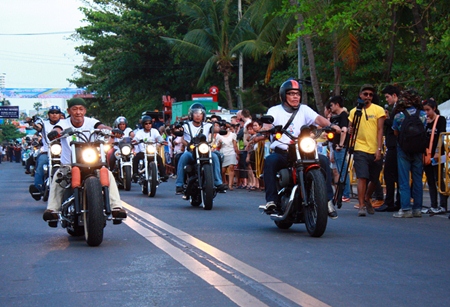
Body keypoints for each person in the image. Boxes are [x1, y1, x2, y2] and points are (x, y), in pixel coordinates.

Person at [258, 79, 340, 219]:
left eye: (297, 93)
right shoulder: (275, 111)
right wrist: (268, 129)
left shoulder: (305, 109)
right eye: (291, 93)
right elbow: (267, 126)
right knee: (270, 161)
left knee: (324, 161)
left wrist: (332, 126)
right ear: (284, 96)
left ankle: (327, 201)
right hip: (284, 152)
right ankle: (271, 201)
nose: (295, 96)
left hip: (303, 151)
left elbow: (319, 119)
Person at [43, 98, 127, 222]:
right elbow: (58, 129)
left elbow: (102, 127)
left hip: (93, 164)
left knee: (108, 174)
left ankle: (116, 208)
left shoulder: (92, 122)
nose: (78, 112)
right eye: (74, 109)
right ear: (68, 111)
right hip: (69, 164)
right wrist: (54, 133)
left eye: (81, 109)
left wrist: (113, 131)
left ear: (85, 110)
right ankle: (52, 210)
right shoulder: (63, 123)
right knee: (58, 176)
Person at [348, 84, 386, 217]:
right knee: (362, 177)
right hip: (360, 147)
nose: (368, 97)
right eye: (365, 94)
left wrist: (379, 148)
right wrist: (349, 130)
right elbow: (350, 127)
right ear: (360, 95)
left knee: (374, 178)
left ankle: (367, 197)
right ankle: (361, 205)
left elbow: (380, 130)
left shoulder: (378, 110)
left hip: (374, 147)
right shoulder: (354, 112)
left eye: (370, 95)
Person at [175, 103, 228, 194]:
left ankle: (218, 182)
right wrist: (177, 128)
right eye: (195, 113)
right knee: (183, 157)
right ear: (191, 115)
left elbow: (216, 129)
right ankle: (179, 184)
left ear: (203, 115)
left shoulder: (208, 125)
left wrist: (223, 127)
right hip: (191, 151)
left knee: (215, 156)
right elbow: (178, 131)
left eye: (200, 113)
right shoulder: (186, 125)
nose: (198, 115)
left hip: (205, 150)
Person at [391, 89, 427, 218]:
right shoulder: (423, 114)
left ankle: (405, 208)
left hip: (403, 149)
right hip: (418, 149)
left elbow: (395, 132)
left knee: (404, 179)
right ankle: (417, 208)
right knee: (417, 179)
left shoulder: (399, 115)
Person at [28, 106, 63, 200]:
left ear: (60, 114)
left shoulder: (66, 123)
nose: (54, 114)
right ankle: (37, 188)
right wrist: (32, 123)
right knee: (41, 164)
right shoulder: (44, 123)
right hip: (47, 151)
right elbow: (38, 127)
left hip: (64, 152)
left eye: (57, 112)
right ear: (49, 114)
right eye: (52, 112)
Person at [376, 85, 401, 212]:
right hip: (395, 145)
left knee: (389, 174)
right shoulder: (397, 108)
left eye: (387, 97)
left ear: (394, 95)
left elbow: (396, 125)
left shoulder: (399, 109)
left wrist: (386, 120)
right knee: (396, 174)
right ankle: (398, 201)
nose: (387, 100)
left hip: (394, 145)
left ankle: (390, 201)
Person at [421, 98, 448, 214]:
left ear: (434, 109)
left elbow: (441, 136)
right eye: (425, 110)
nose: (426, 113)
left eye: (428, 110)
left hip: (437, 153)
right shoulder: (425, 121)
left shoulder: (440, 120)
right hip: (427, 154)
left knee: (438, 179)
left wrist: (437, 151)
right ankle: (433, 205)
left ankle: (443, 205)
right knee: (430, 180)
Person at [328, 96, 351, 203]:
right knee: (340, 169)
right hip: (336, 147)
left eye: (332, 105)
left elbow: (344, 130)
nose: (330, 107)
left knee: (342, 170)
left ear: (337, 104)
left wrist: (340, 145)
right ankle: (343, 193)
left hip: (340, 148)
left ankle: (346, 193)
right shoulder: (337, 116)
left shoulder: (343, 116)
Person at [132, 115, 169, 182]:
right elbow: (136, 138)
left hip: (152, 151)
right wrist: (135, 141)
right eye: (146, 124)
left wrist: (162, 141)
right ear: (143, 125)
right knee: (136, 158)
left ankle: (163, 175)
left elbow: (158, 137)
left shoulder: (154, 131)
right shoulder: (140, 132)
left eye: (149, 123)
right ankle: (135, 174)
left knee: (159, 159)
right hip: (143, 152)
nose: (148, 125)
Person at [216, 122, 239, 190]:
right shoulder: (218, 136)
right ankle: (223, 182)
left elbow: (235, 145)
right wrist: (219, 143)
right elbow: (218, 146)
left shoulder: (233, 135)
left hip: (231, 152)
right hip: (223, 153)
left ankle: (230, 185)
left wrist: (237, 153)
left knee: (231, 167)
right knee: (223, 170)